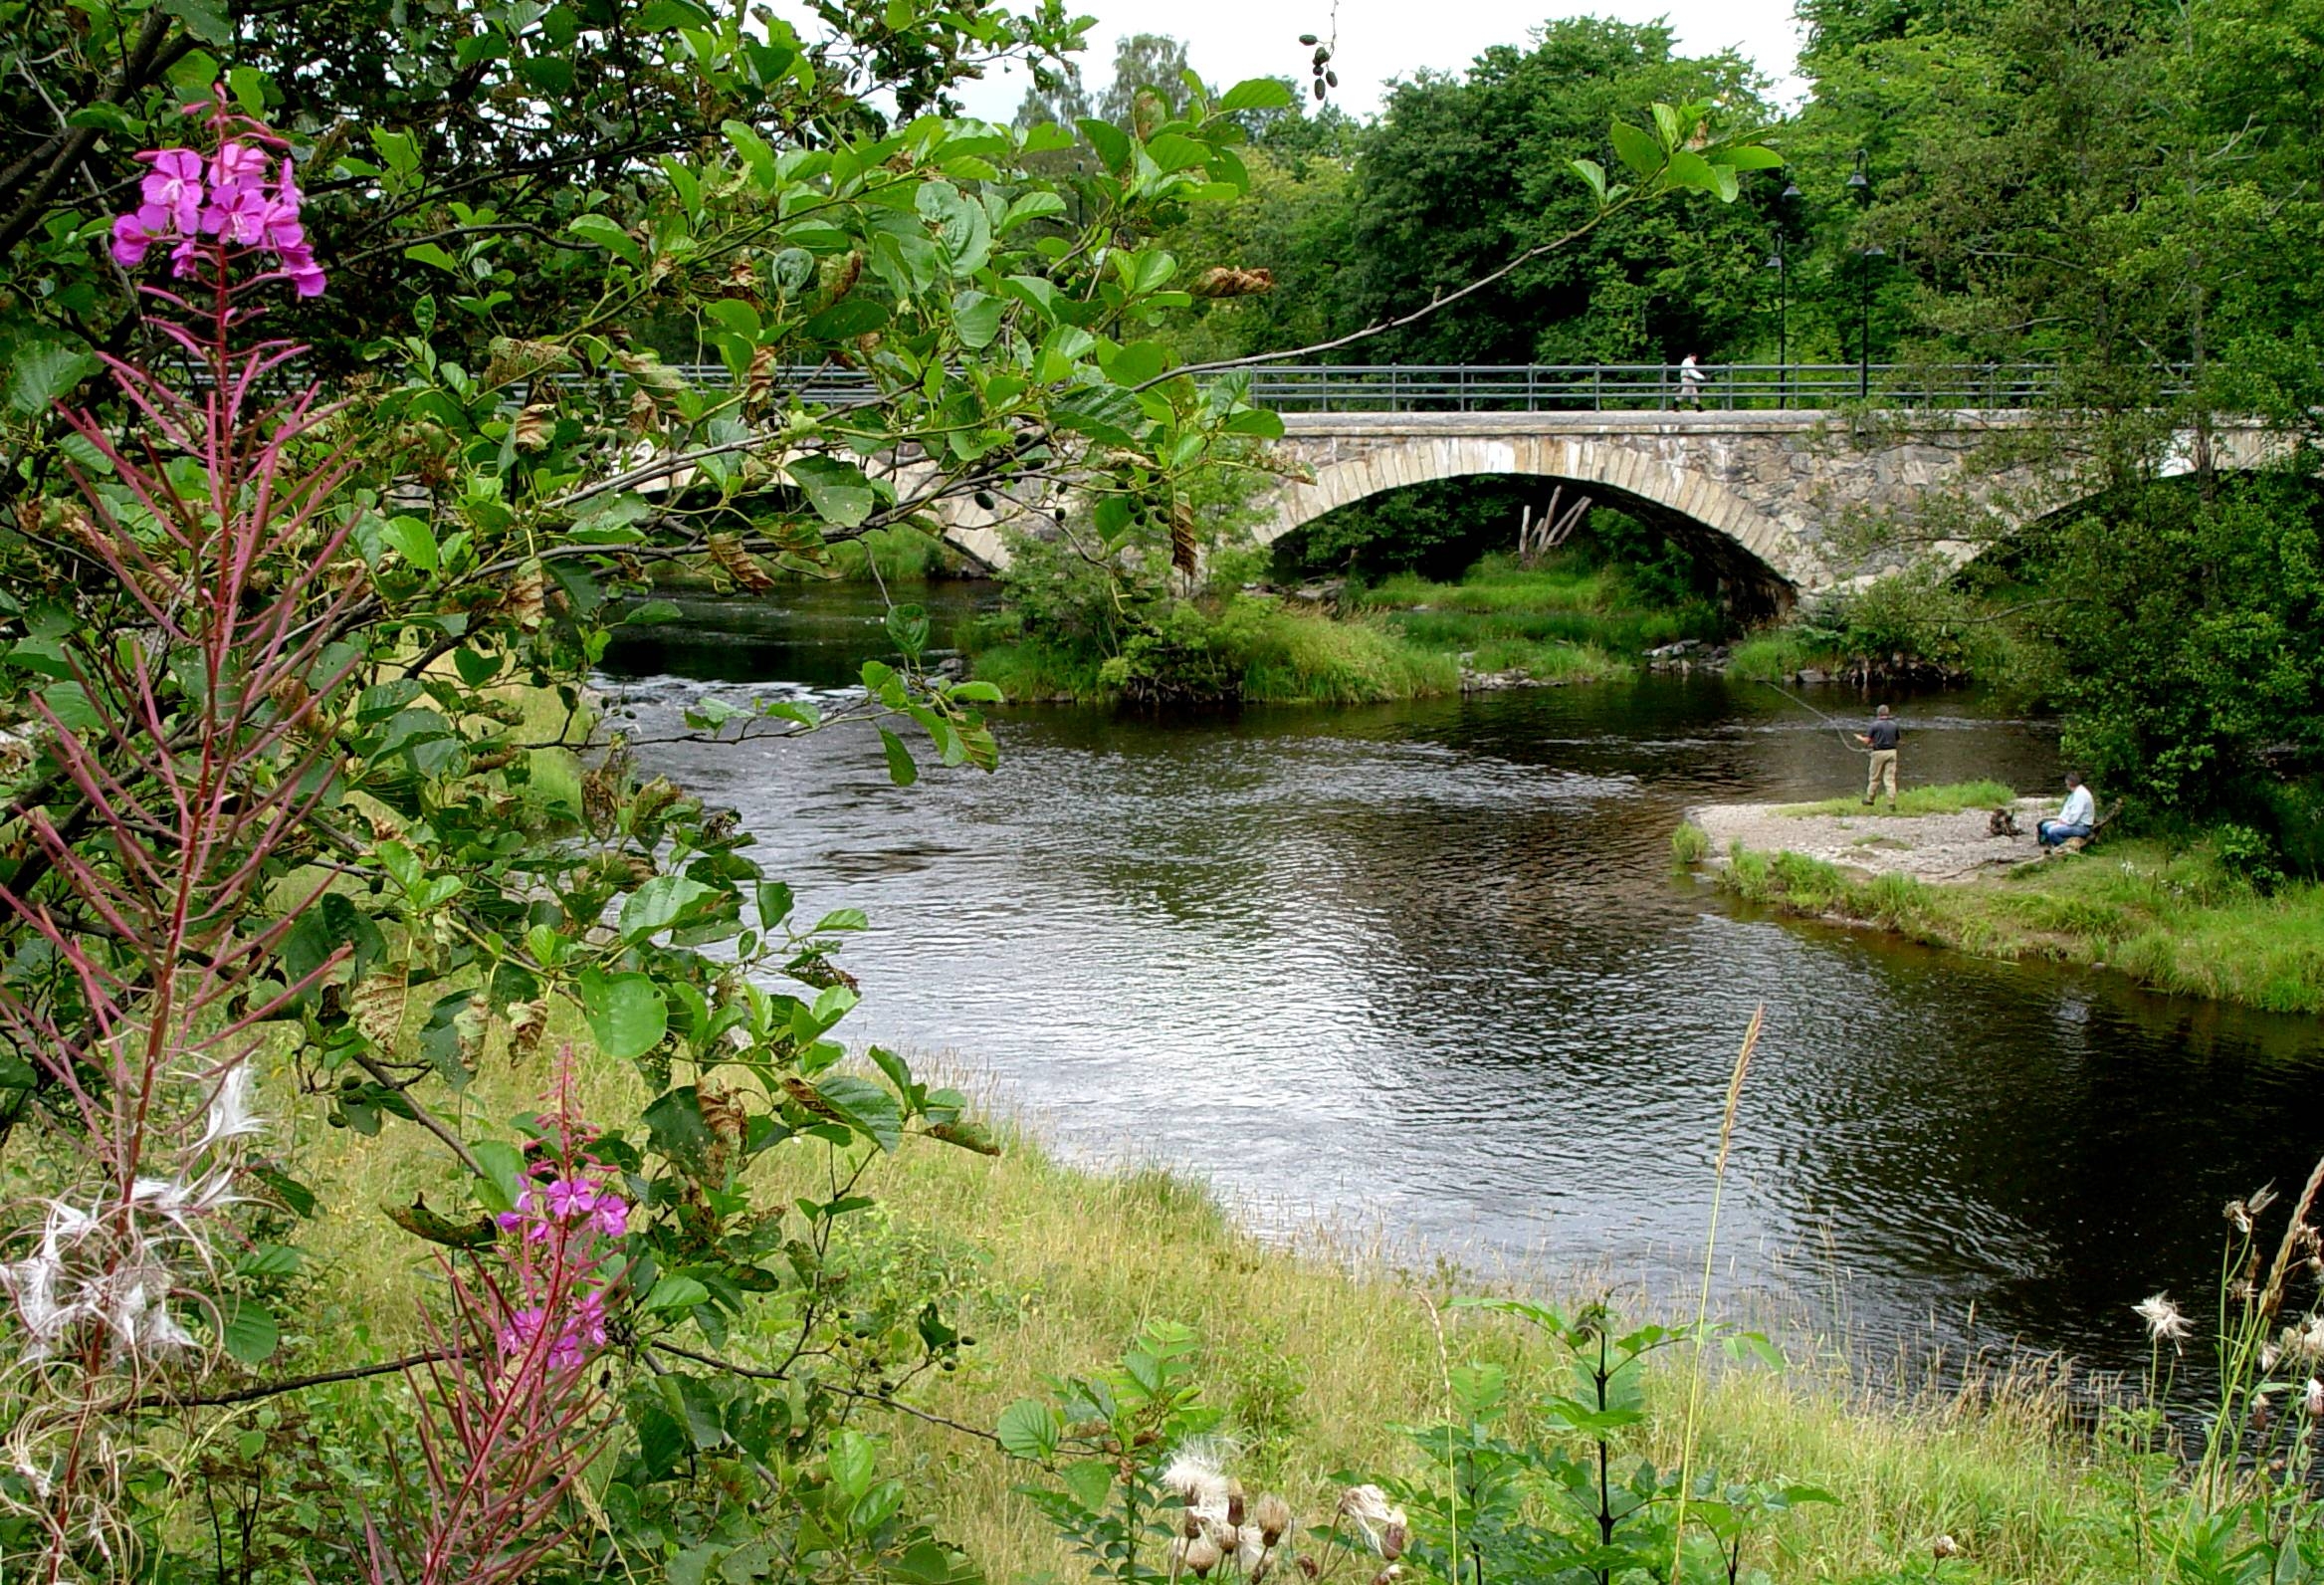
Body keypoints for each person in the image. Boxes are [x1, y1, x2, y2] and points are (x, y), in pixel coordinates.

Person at [1855, 704, 1900, 809]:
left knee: (1874, 778)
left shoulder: (1874, 725)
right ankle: (1891, 803)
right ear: (1888, 713)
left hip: (1879, 753)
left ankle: (1870, 800)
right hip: (1892, 752)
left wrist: (1859, 738)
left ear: (1878, 714)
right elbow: (1897, 739)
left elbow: (1867, 741)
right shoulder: (1894, 725)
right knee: (1890, 779)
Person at [2038, 773, 2096, 847]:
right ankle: (2052, 844)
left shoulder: (2081, 795)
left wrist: (2064, 822)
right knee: (2045, 826)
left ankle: (2066, 846)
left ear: (2068, 783)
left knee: (2052, 831)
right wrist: (2060, 820)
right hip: (2074, 824)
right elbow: (2066, 810)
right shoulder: (2074, 794)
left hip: (2082, 827)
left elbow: (2075, 816)